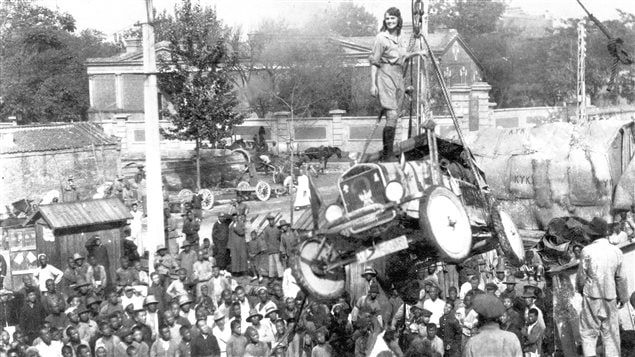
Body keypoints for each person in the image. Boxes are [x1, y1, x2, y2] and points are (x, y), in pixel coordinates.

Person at [370, 7, 425, 161]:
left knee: (395, 116)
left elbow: (405, 56)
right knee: (392, 113)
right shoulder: (381, 38)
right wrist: (373, 84)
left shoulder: (403, 37)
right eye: (387, 19)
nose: (390, 21)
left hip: (398, 76)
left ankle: (389, 153)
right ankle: (387, 155)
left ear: (398, 20)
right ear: (384, 20)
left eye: (393, 18)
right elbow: (374, 62)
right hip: (385, 75)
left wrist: (417, 53)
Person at [576, 217, 628, 357]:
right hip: (610, 297)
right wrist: (623, 296)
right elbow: (621, 277)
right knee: (611, 335)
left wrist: (581, 290)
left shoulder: (587, 251)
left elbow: (581, 276)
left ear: (592, 234)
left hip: (591, 296)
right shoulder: (616, 251)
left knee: (588, 334)